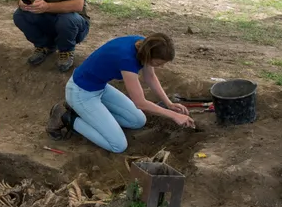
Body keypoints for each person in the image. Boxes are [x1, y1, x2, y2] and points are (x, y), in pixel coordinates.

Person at [50, 33, 195, 153]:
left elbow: (150, 76)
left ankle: (91, 115)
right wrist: (174, 115)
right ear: (149, 55)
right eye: (158, 63)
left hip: (99, 88)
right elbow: (140, 103)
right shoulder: (128, 60)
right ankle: (67, 117)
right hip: (80, 93)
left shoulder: (143, 44)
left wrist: (169, 104)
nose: (161, 67)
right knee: (118, 146)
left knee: (138, 120)